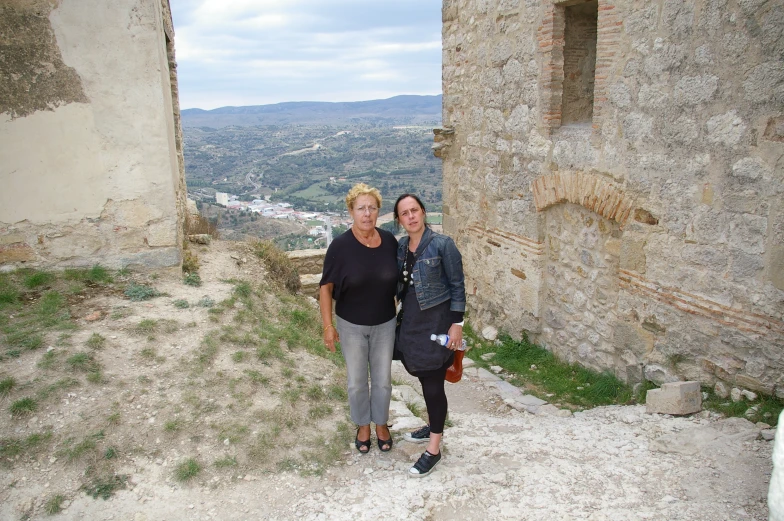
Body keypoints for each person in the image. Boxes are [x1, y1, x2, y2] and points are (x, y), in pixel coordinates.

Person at [319, 183, 398, 454]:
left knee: (383, 379)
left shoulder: (389, 241)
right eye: (361, 208)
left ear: (378, 211)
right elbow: (325, 288)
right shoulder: (340, 247)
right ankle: (363, 425)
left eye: (372, 208)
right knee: (356, 381)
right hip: (351, 325)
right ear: (351, 211)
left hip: (385, 323)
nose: (367, 214)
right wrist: (328, 326)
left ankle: (381, 424)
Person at [393, 193, 466, 477]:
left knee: (433, 384)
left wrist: (457, 323)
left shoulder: (442, 245)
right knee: (424, 378)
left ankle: (434, 449)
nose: (410, 216)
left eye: (414, 210)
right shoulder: (401, 248)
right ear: (399, 220)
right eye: (404, 213)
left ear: (423, 212)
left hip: (437, 324)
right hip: (411, 324)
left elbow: (457, 285)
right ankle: (432, 424)